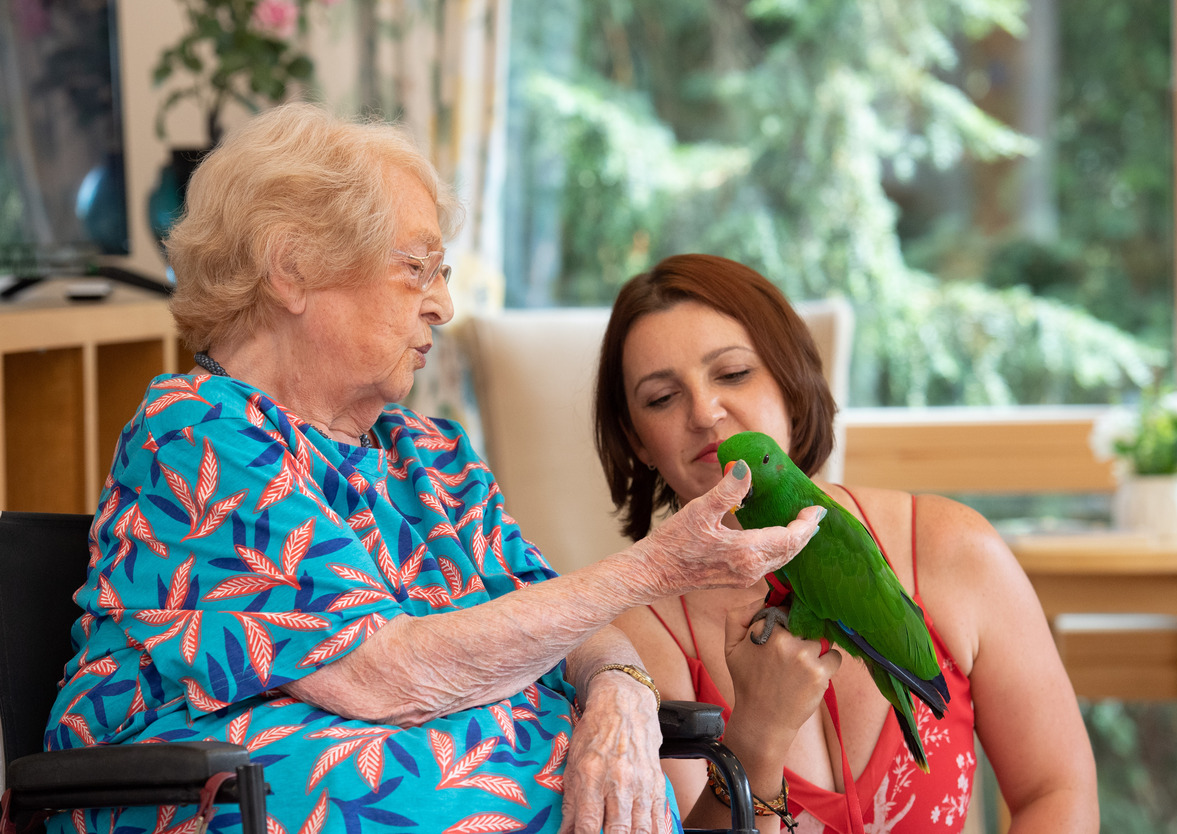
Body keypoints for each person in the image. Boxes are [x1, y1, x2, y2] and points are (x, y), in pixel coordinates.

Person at [44, 106, 827, 834]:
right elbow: (376, 676)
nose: (443, 305)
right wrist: (655, 566)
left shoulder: (432, 456)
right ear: (292, 271)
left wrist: (622, 693)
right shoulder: (202, 433)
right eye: (418, 269)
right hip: (204, 796)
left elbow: (572, 629)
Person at [595, 254, 1099, 833]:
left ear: (789, 379)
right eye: (662, 398)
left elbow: (1055, 792)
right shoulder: (627, 644)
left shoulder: (958, 551)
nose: (707, 414)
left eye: (733, 373)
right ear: (637, 440)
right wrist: (755, 737)